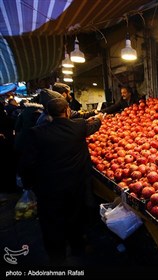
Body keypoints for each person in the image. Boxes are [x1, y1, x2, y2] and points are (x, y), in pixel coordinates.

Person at [20, 98, 104, 265]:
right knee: (75, 217)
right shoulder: (78, 126)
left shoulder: (36, 133)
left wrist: (29, 184)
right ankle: (77, 248)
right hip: (75, 184)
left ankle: (57, 257)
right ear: (67, 111)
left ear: (48, 114)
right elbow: (93, 126)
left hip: (48, 188)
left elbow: (27, 163)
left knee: (51, 223)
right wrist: (100, 119)